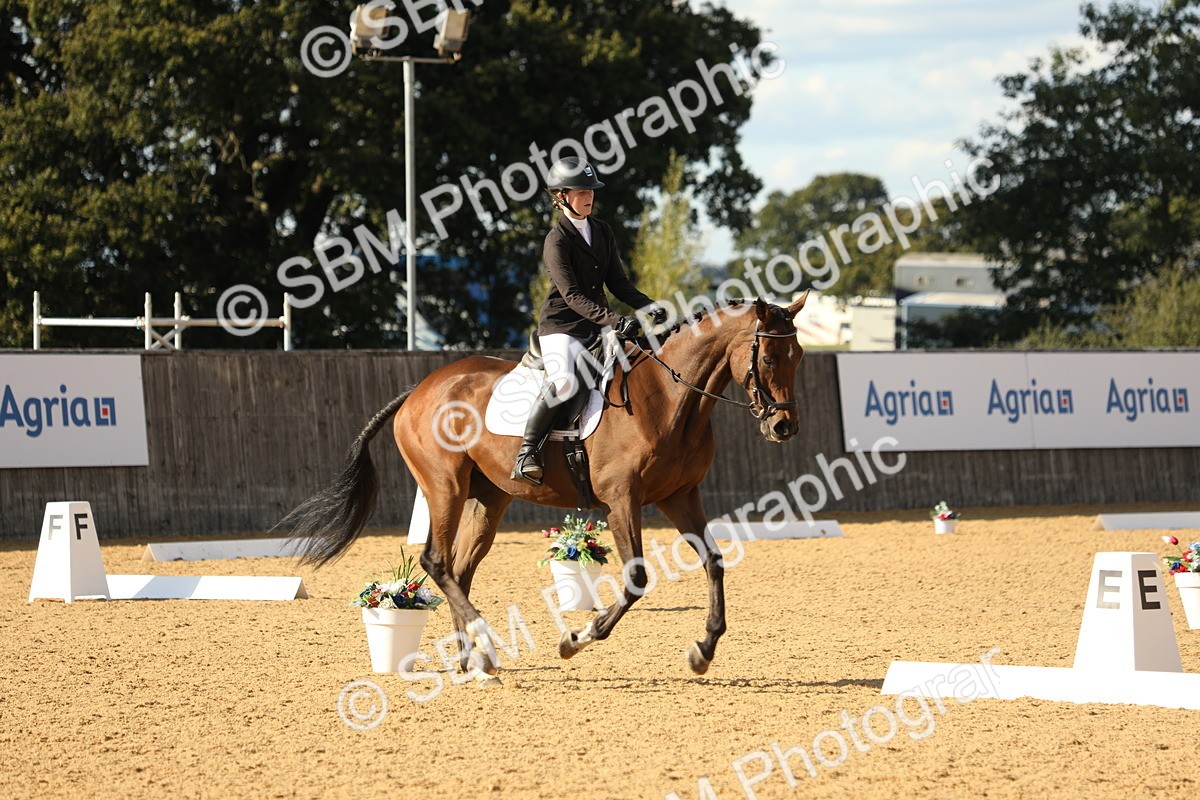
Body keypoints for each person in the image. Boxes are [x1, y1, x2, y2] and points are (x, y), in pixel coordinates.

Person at [510, 157, 667, 485]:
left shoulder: (602, 231)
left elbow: (618, 283)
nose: (588, 196)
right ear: (561, 196)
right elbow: (571, 296)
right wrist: (614, 320)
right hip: (561, 327)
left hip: (596, 325)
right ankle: (527, 452)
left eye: (591, 190)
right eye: (581, 191)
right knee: (565, 381)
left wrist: (649, 306)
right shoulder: (557, 241)